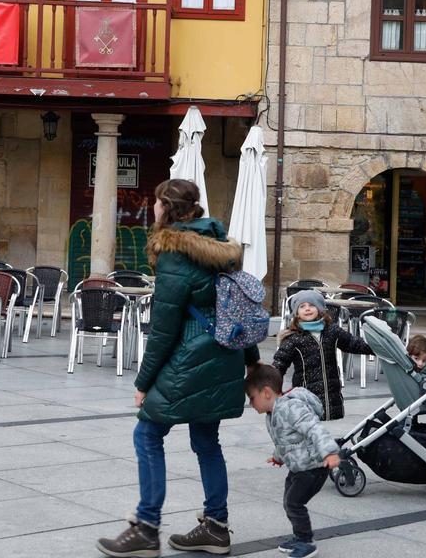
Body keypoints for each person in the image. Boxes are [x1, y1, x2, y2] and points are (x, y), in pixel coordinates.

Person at [98, 179, 259, 558]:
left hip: (190, 355)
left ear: (166, 207)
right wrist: (249, 360)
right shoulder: (222, 247)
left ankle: (146, 528)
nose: (152, 208)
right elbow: (231, 308)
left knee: (147, 434)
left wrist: (143, 381)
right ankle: (216, 528)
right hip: (223, 354)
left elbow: (165, 326)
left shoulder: (174, 251)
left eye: (155, 202)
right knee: (206, 441)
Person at [247, 363, 340, 558]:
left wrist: (329, 452)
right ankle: (300, 537)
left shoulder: (291, 407)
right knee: (289, 500)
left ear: (266, 392)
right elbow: (286, 440)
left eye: (252, 398)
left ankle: (306, 542)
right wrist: (279, 457)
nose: (250, 404)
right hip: (299, 467)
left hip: (314, 466)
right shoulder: (272, 413)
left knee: (294, 503)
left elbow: (315, 429)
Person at [272, 289, 373, 421]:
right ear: (296, 313)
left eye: (311, 305)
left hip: (332, 399)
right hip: (306, 399)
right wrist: (270, 386)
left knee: (331, 432)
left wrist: (378, 349)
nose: (307, 309)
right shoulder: (292, 338)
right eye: (302, 306)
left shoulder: (332, 331)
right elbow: (280, 364)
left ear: (320, 309)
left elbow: (354, 344)